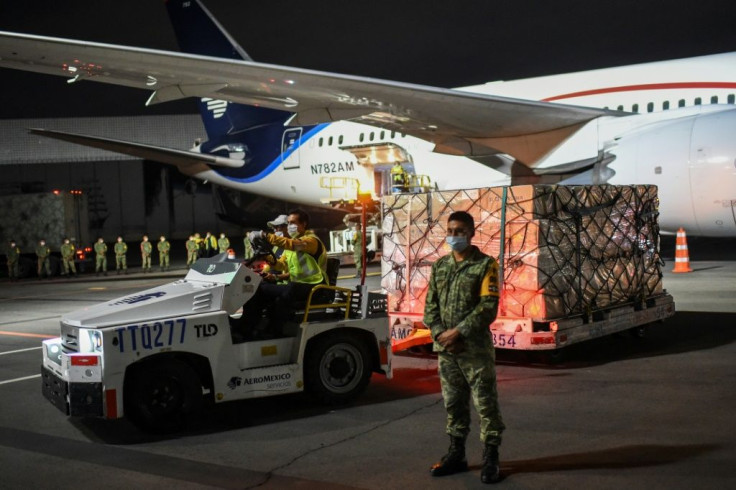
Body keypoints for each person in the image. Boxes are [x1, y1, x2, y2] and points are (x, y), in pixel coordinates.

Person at [423, 210, 504, 484]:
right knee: (454, 404)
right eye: (450, 231)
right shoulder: (440, 266)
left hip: (474, 351)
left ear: (471, 233)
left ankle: (491, 458)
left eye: (460, 231)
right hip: (447, 351)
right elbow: (430, 306)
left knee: (486, 405)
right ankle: (456, 454)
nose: (454, 236)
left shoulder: (485, 265)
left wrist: (458, 332)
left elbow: (488, 307)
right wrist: (440, 334)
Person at [244, 209, 327, 336]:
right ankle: (249, 326)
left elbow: (293, 245)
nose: (289, 226)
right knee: (261, 287)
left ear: (304, 224)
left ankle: (275, 330)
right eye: (288, 223)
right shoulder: (293, 244)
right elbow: (281, 264)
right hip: (299, 285)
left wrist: (265, 236)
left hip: (315, 285)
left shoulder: (310, 241)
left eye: (292, 222)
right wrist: (266, 255)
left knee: (289, 290)